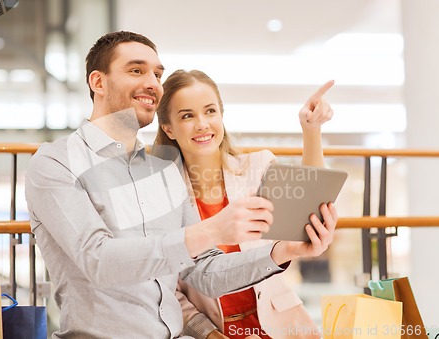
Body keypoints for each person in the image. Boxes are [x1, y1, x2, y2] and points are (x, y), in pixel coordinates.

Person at [25, 31, 338, 339]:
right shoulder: (55, 163)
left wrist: (284, 249)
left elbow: (202, 271)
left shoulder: (161, 172)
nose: (152, 82)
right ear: (98, 82)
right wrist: (211, 230)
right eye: (137, 70)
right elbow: (98, 259)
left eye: (157, 74)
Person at [154, 69, 335, 339]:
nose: (202, 124)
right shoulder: (160, 195)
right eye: (187, 116)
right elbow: (168, 291)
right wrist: (210, 335)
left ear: (221, 116)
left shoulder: (257, 167)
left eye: (210, 111)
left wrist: (311, 130)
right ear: (168, 128)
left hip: (279, 326)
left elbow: (309, 209)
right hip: (214, 331)